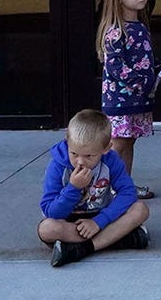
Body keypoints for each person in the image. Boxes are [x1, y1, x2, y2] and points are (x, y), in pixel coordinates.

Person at [38, 109, 151, 267]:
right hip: (69, 220)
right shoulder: (57, 165)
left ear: (106, 148)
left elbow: (128, 193)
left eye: (89, 156)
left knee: (140, 209)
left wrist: (99, 222)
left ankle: (82, 248)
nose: (80, 162)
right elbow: (51, 211)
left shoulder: (110, 160)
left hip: (102, 216)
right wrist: (73, 188)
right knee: (47, 229)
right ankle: (118, 239)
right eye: (74, 153)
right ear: (67, 142)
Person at [97, 0, 159, 200]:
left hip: (138, 99)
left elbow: (143, 57)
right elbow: (116, 67)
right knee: (117, 145)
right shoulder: (116, 32)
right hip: (121, 101)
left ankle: (125, 186)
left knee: (129, 142)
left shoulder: (140, 27)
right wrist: (142, 81)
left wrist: (157, 68)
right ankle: (105, 186)